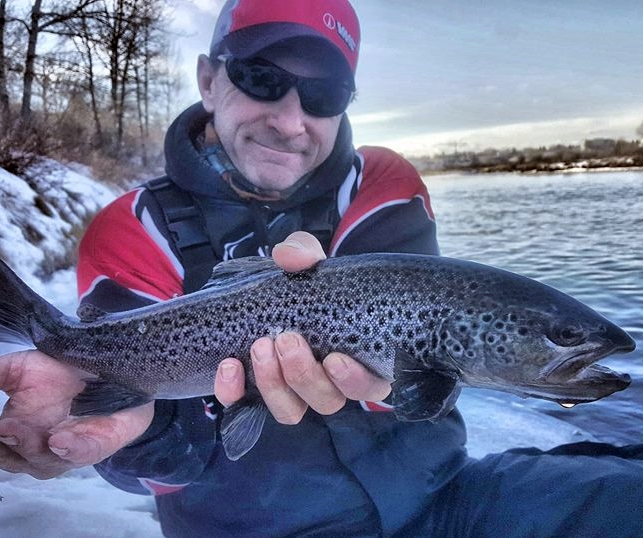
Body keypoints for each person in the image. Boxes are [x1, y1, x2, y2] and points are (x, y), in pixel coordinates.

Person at [1, 1, 642, 536]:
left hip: (443, 501)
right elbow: (142, 462)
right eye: (259, 78)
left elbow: (416, 373)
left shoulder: (382, 181)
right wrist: (135, 429)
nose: (289, 119)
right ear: (207, 78)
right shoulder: (131, 225)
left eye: (323, 92)